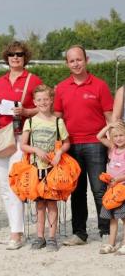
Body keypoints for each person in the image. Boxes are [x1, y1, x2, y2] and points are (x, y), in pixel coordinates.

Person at [54, 45, 114, 246]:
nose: (76, 64)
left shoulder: (100, 85)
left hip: (96, 144)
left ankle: (105, 230)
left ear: (86, 60)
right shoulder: (61, 88)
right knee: (77, 190)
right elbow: (57, 119)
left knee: (99, 189)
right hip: (71, 146)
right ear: (67, 64)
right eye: (72, 61)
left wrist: (114, 144)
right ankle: (79, 233)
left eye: (79, 59)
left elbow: (109, 118)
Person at [0, 41, 42, 250]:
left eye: (20, 54)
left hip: (22, 136)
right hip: (2, 136)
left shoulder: (33, 80)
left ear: (25, 57)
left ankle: (17, 233)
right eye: (12, 54)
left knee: (15, 184)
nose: (15, 57)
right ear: (7, 57)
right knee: (5, 186)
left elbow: (42, 107)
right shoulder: (0, 81)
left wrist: (26, 112)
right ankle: (15, 228)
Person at [21, 85, 70, 251]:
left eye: (46, 99)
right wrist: (35, 149)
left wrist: (58, 154)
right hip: (36, 169)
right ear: (34, 102)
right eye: (39, 100)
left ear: (51, 101)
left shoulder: (58, 121)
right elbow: (23, 145)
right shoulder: (30, 121)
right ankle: (39, 236)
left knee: (52, 204)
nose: (42, 102)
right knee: (40, 204)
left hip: (53, 170)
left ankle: (51, 237)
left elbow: (66, 143)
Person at [97, 121, 125, 254]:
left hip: (123, 189)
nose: (119, 138)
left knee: (124, 218)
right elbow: (99, 137)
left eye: (122, 135)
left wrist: (119, 179)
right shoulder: (113, 149)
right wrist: (109, 126)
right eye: (116, 136)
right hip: (112, 189)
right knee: (112, 218)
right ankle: (111, 244)